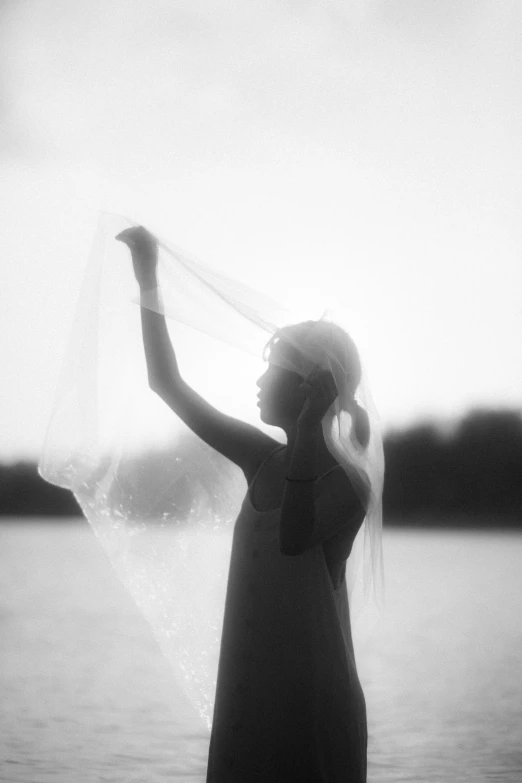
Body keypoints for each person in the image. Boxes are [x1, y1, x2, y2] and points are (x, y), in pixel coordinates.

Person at [117, 226, 372, 782]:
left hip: (309, 695)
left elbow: (293, 537)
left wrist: (306, 436)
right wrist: (147, 278)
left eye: (272, 368)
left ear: (310, 390)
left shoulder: (348, 483)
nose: (257, 380)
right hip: (251, 684)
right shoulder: (262, 459)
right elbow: (167, 383)